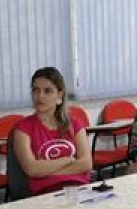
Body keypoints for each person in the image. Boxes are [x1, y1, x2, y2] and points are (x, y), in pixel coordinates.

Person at [14, 67, 92, 195]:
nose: (40, 96)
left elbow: (86, 164)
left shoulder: (75, 124)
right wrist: (67, 160)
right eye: (36, 90)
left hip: (79, 188)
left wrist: (45, 170)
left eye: (47, 91)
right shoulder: (22, 129)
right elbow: (32, 169)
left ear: (59, 95)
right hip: (46, 193)